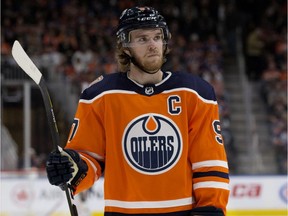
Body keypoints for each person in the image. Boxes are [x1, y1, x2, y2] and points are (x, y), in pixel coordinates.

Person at [46, 6, 230, 216]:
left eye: (157, 37)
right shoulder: (100, 96)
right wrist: (71, 167)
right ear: (125, 47)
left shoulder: (195, 93)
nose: (153, 45)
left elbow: (209, 161)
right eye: (142, 39)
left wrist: (211, 209)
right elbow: (90, 159)